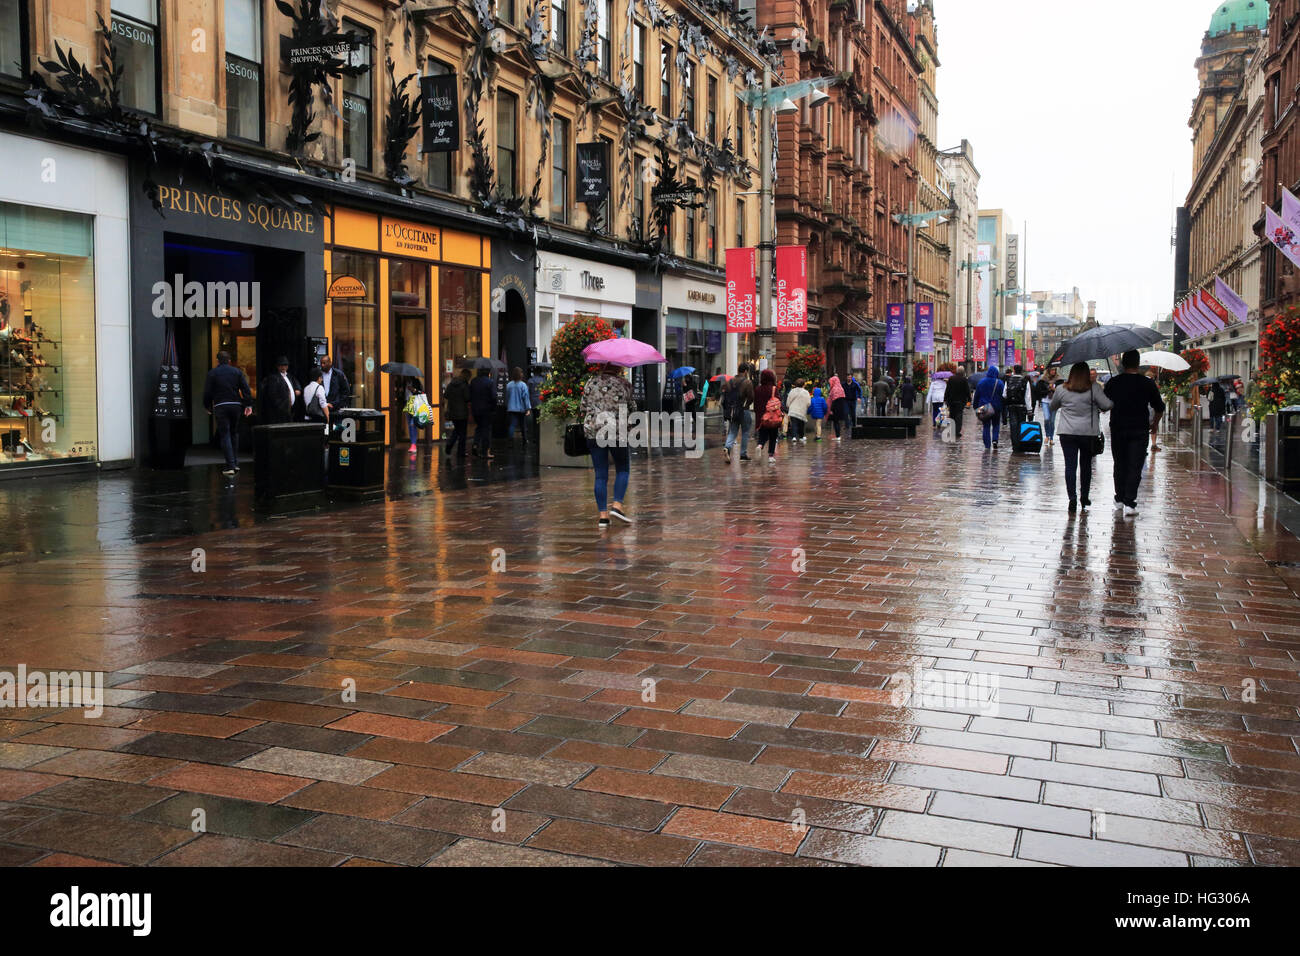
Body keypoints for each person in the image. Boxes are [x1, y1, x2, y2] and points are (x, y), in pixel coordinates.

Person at [1104, 349, 1166, 517]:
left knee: (1119, 464)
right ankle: (1130, 502)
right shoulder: (1147, 383)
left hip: (1118, 428)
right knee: (1135, 465)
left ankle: (1119, 499)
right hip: (1139, 429)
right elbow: (1159, 407)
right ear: (1138, 364)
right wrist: (1154, 424)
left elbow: (1104, 404)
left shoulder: (1113, 382)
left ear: (1123, 364)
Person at [1050, 362, 1113, 514]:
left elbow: (1053, 406)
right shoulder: (1094, 388)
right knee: (1086, 466)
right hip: (1088, 433)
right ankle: (1084, 496)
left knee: (1070, 466)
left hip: (1067, 433)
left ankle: (1072, 498)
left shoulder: (1061, 389)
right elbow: (1107, 405)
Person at [581, 362, 634, 528]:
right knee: (623, 468)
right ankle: (617, 505)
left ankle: (603, 516)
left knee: (601, 474)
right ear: (619, 368)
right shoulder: (625, 385)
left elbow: (583, 407)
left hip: (594, 432)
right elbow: (632, 408)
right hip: (617, 432)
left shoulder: (591, 383)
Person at [202, 350, 253, 476]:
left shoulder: (212, 373)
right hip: (236, 405)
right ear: (229, 361)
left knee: (225, 434)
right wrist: (248, 405)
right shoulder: (237, 372)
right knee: (234, 433)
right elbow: (245, 389)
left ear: (217, 361)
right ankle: (235, 463)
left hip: (221, 405)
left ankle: (230, 465)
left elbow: (208, 392)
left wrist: (207, 405)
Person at [722, 363, 755, 463]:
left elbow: (724, 394)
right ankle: (743, 454)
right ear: (745, 371)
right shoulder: (747, 382)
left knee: (733, 431)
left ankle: (727, 447)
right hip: (743, 410)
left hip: (733, 410)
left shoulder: (729, 381)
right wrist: (746, 405)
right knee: (745, 432)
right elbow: (751, 397)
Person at [973, 364, 1006, 451]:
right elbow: (1003, 395)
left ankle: (987, 445)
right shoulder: (999, 383)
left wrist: (975, 406)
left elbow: (977, 395)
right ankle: (995, 440)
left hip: (984, 407)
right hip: (996, 407)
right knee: (996, 424)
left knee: (986, 426)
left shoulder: (981, 382)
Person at [260, 356, 300, 425]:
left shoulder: (289, 376)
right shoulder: (274, 377)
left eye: (285, 365)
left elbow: (296, 384)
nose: (283, 367)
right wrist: (282, 406)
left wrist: (297, 389)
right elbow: (272, 395)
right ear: (278, 366)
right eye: (281, 365)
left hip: (291, 410)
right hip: (280, 411)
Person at [754, 368, 783, 462]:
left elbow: (756, 404)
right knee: (773, 436)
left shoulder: (757, 389)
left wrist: (758, 415)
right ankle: (770, 456)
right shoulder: (774, 389)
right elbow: (778, 402)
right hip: (772, 416)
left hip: (762, 417)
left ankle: (760, 445)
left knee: (762, 434)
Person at [469, 366, 496, 459]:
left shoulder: (473, 381)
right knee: (486, 430)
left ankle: (475, 445)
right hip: (486, 410)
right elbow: (493, 397)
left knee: (479, 427)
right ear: (488, 372)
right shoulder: (490, 382)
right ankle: (485, 451)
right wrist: (493, 407)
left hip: (475, 409)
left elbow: (470, 395)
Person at [443, 367, 471, 457]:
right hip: (462, 413)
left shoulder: (451, 383)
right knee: (462, 433)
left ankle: (449, 445)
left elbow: (446, 395)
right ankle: (460, 452)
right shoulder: (464, 385)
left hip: (453, 412)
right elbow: (467, 398)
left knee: (457, 430)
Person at [506, 367, 532, 447]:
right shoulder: (523, 385)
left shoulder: (509, 385)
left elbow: (507, 396)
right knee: (522, 425)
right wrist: (528, 408)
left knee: (512, 425)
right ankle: (524, 440)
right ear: (520, 374)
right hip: (521, 409)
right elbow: (526, 397)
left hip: (511, 408)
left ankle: (510, 441)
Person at [944, 369, 972, 439]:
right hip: (960, 401)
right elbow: (967, 390)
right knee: (959, 416)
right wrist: (969, 399)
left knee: (952, 415)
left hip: (951, 401)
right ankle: (957, 431)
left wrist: (945, 398)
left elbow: (947, 389)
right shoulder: (964, 379)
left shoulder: (951, 379)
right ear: (963, 373)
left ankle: (952, 430)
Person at [403, 377, 427, 455]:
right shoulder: (404, 382)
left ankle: (413, 445)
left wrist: (413, 389)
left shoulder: (416, 381)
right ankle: (412, 444)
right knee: (410, 425)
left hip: (415, 404)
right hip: (407, 404)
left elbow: (422, 392)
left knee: (413, 424)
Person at [827, 374, 849, 441]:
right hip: (841, 407)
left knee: (836, 422)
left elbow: (834, 400)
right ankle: (838, 435)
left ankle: (838, 436)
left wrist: (831, 409)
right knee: (838, 422)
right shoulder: (841, 388)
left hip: (835, 408)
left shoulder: (834, 389)